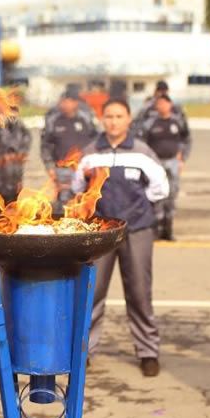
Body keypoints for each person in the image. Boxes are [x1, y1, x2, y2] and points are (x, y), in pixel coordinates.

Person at [73, 98, 169, 377]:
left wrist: (137, 210)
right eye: (109, 116)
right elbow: (79, 188)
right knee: (93, 293)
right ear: (102, 120)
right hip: (101, 234)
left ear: (129, 120)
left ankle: (148, 352)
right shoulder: (91, 153)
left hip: (137, 231)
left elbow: (159, 189)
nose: (113, 121)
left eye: (119, 116)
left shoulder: (142, 153)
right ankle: (84, 351)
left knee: (139, 293)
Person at [134, 94, 191, 241]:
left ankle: (168, 229)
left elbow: (187, 138)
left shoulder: (177, 122)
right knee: (156, 195)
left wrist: (182, 157)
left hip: (173, 162)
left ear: (170, 105)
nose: (161, 106)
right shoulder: (150, 123)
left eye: (164, 103)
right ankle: (156, 229)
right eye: (158, 104)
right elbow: (141, 142)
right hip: (156, 163)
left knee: (171, 196)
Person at [41, 93, 98, 211]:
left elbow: (96, 140)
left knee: (85, 201)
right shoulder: (54, 121)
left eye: (67, 101)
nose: (64, 105)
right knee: (64, 203)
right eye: (62, 102)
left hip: (84, 168)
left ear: (75, 103)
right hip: (63, 170)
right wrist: (50, 167)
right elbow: (45, 146)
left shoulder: (85, 119)